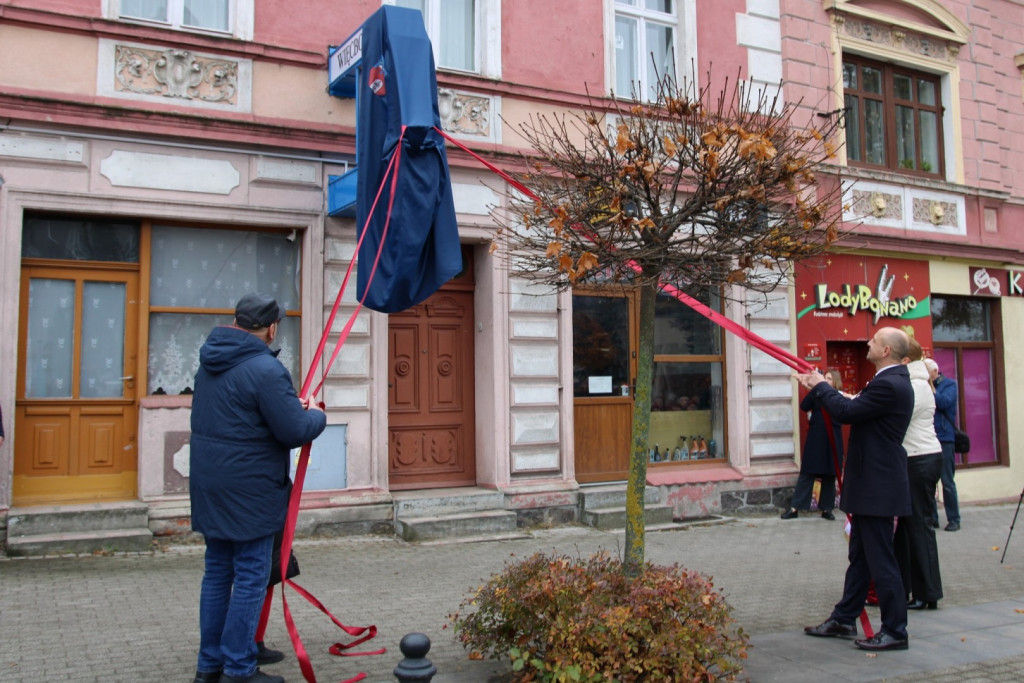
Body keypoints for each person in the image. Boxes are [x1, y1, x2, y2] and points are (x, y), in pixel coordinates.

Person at [190, 293, 327, 683]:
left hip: (210, 483)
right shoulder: (265, 369)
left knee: (217, 572)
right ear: (270, 328)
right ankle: (238, 667)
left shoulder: (209, 362)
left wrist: (288, 410)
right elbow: (293, 431)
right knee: (250, 574)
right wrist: (316, 414)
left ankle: (209, 666)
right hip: (249, 489)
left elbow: (241, 417)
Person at [795, 327, 914, 652]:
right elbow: (854, 403)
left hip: (878, 487)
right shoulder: (888, 382)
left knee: (881, 561)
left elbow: (846, 413)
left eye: (874, 340)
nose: (868, 343)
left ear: (887, 350)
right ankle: (845, 617)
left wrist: (821, 386)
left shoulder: (890, 384)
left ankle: (895, 630)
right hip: (871, 485)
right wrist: (819, 386)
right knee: (861, 557)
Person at [895, 340, 943, 610]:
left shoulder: (914, 386)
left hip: (919, 459)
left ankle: (927, 593)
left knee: (918, 525)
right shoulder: (915, 382)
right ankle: (907, 588)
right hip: (916, 458)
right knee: (907, 526)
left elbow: (889, 414)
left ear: (904, 360)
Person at [782, 369, 845, 521]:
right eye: (825, 378)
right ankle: (795, 507)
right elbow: (804, 406)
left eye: (829, 379)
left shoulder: (838, 396)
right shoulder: (818, 394)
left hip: (832, 439)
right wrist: (814, 390)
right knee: (808, 472)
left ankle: (826, 509)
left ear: (835, 381)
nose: (827, 380)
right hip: (816, 438)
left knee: (829, 475)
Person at [925, 357, 961, 532]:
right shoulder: (926, 387)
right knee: (931, 481)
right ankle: (932, 518)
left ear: (934, 372)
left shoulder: (950, 385)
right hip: (930, 438)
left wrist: (931, 388)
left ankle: (954, 519)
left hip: (945, 439)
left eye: (927, 372)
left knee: (947, 481)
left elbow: (943, 403)